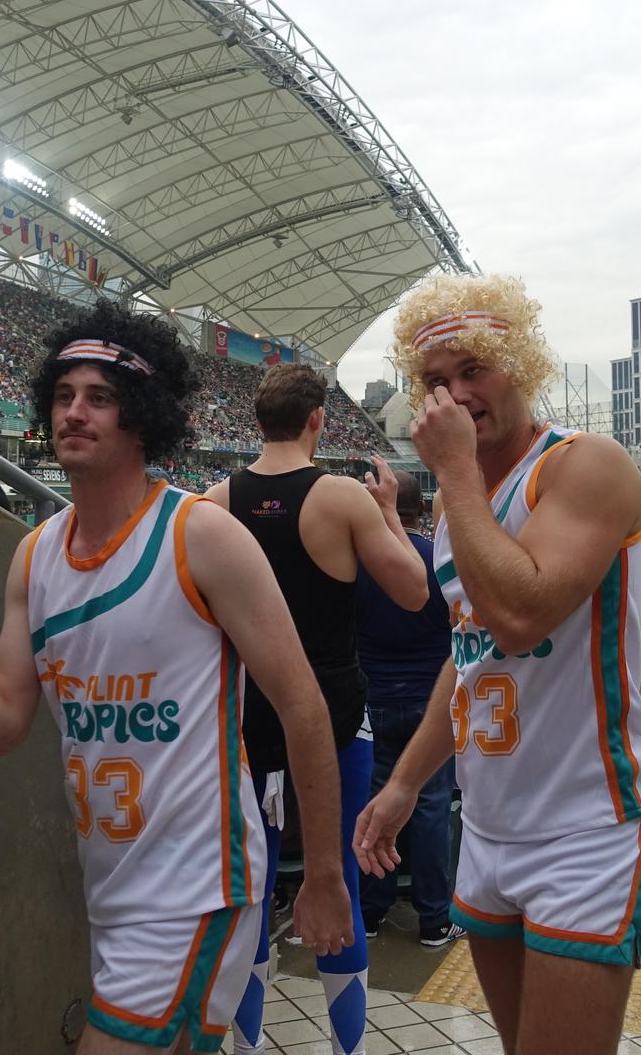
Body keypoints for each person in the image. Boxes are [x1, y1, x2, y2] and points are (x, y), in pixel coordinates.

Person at [0, 303, 351, 1054]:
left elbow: (304, 709)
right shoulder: (35, 557)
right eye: (64, 396)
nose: (75, 411)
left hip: (201, 890)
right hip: (111, 892)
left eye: (99, 397)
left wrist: (324, 872)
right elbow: (4, 721)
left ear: (142, 418)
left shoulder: (202, 536)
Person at [354, 275, 641, 1055]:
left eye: (473, 371)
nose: (454, 396)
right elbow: (469, 655)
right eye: (434, 382)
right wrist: (402, 785)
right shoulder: (455, 504)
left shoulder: (585, 464)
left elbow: (522, 617)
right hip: (490, 824)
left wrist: (457, 475)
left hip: (588, 825)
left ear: (520, 365)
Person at [205, 362, 429, 1055]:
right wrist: (389, 510)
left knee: (252, 893)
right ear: (317, 420)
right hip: (334, 712)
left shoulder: (212, 502)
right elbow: (416, 591)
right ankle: (348, 1049)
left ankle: (246, 1046)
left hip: (247, 715)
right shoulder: (340, 499)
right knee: (339, 887)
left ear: (257, 422)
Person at [354, 476, 464, 949]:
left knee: (378, 804)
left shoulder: (363, 560)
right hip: (429, 699)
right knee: (432, 806)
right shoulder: (435, 560)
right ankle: (434, 917)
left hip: (376, 696)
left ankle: (372, 910)